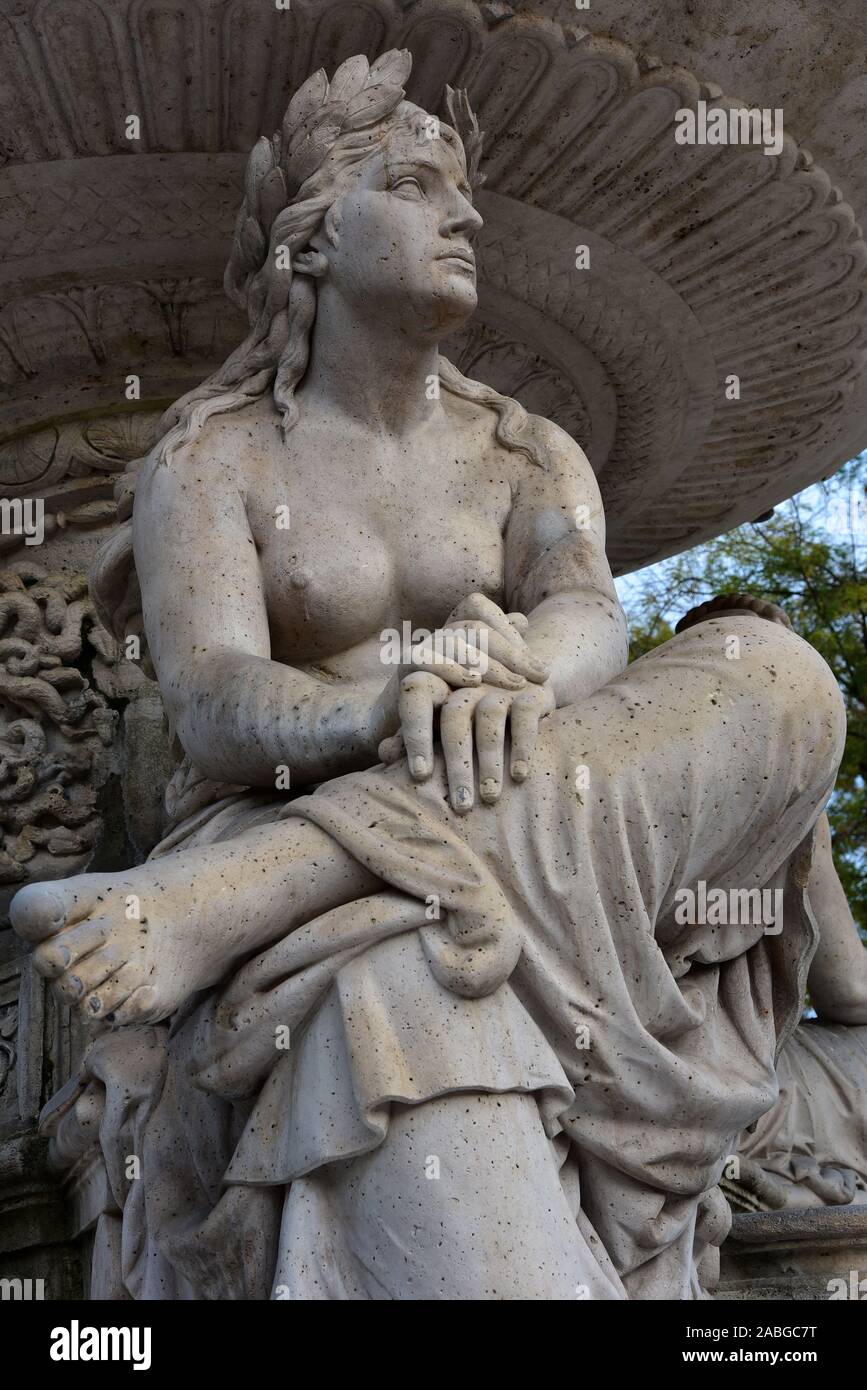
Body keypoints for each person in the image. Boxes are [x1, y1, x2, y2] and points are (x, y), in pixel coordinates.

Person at [11, 52, 846, 1300]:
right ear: (312, 238)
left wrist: (516, 668)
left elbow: (587, 624)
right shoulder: (213, 459)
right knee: (398, 972)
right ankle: (307, 875)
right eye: (412, 186)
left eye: (464, 195)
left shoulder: (530, 453)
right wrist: (377, 708)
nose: (461, 218)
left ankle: (239, 898)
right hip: (329, 791)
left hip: (543, 799)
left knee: (771, 668)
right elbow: (214, 698)